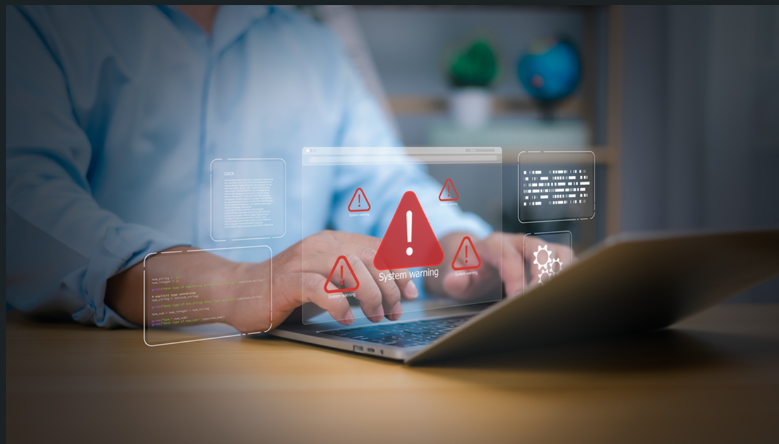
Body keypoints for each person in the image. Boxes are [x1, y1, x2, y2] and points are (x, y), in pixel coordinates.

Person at [6, 5, 558, 333]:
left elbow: (390, 186)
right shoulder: (41, 18)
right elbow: (28, 216)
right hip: (98, 380)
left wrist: (465, 249)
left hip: (290, 380)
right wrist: (237, 285)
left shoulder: (313, 45)